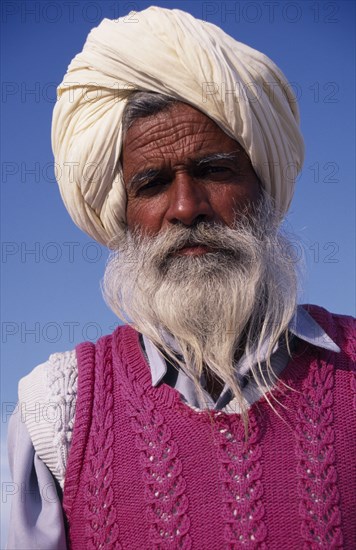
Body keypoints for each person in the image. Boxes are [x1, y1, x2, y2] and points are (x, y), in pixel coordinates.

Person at [7, 6, 355, 549]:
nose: (186, 207)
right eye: (152, 184)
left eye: (215, 171)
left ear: (265, 187)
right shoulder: (58, 408)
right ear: (123, 215)